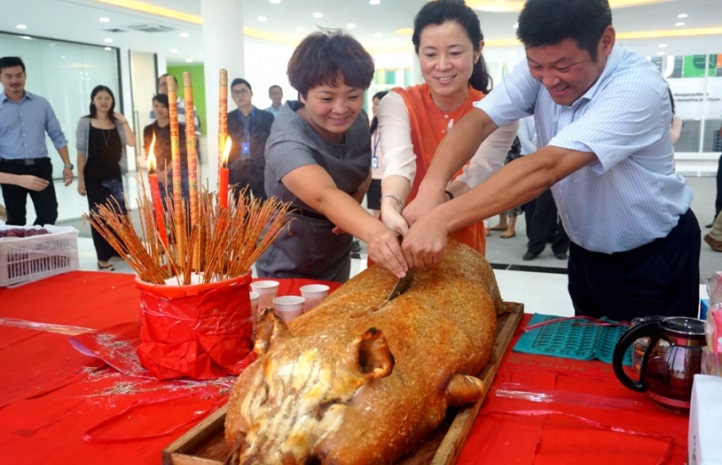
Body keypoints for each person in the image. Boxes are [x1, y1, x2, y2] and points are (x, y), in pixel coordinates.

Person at [402, 0, 700, 321]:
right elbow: (480, 120)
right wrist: (431, 188)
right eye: (536, 65)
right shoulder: (545, 64)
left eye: (564, 67)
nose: (548, 80)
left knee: (651, 364)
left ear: (606, 41)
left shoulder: (637, 88)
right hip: (586, 252)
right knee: (588, 353)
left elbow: (547, 168)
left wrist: (441, 218)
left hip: (652, 256)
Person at [256, 31, 406, 282]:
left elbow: (361, 169)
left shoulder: (357, 120)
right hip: (290, 249)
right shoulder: (287, 141)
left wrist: (350, 210)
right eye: (326, 98)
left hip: (337, 245)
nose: (341, 109)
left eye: (353, 96)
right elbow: (324, 196)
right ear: (302, 95)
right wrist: (374, 231)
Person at [378, 0, 517, 257]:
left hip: (460, 231)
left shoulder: (497, 112)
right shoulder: (397, 102)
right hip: (400, 227)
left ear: (477, 51)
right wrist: (390, 206)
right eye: (430, 54)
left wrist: (437, 203)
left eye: (455, 53)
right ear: (418, 53)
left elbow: (479, 174)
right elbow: (399, 163)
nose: (442, 65)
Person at [0, 56, 74, 226]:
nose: (15, 80)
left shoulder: (41, 103)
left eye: (19, 75)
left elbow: (57, 135)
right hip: (10, 168)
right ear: (1, 78)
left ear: (25, 76)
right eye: (8, 76)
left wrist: (67, 165)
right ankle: (20, 251)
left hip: (40, 166)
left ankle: (35, 243)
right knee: (15, 218)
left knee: (49, 213)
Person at [75, 85, 135, 271]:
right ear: (93, 100)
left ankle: (119, 250)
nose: (104, 101)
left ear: (112, 101)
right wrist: (81, 179)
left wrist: (124, 121)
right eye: (99, 98)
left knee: (119, 213)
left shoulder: (117, 122)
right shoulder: (85, 122)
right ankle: (102, 258)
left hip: (114, 172)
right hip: (93, 173)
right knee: (98, 215)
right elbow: (81, 153)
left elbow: (131, 142)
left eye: (107, 98)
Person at [227, 78, 274, 203]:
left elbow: (272, 144)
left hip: (260, 168)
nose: (240, 95)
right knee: (241, 209)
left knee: (263, 208)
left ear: (251, 93)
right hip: (238, 169)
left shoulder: (267, 117)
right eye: (236, 92)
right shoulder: (227, 118)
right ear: (232, 96)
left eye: (243, 91)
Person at [143, 94, 189, 203]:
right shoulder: (148, 129)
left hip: (177, 171)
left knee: (180, 206)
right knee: (160, 207)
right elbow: (148, 152)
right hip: (156, 172)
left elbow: (180, 151)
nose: (159, 109)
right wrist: (159, 173)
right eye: (156, 105)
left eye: (163, 106)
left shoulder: (178, 128)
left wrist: (166, 172)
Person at [367, 90, 388, 218]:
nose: (373, 107)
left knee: (388, 210)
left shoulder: (393, 126)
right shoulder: (370, 125)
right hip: (373, 175)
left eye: (376, 104)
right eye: (373, 104)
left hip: (387, 175)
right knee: (376, 212)